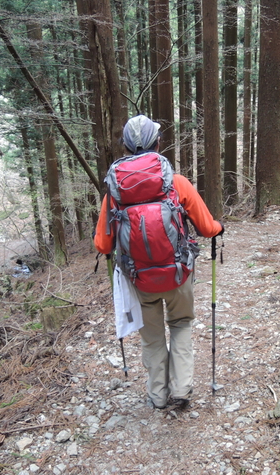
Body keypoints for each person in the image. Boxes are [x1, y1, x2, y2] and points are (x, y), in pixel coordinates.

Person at [94, 114, 224, 410]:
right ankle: (181, 389)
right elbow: (207, 228)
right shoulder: (176, 183)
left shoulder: (115, 192)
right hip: (178, 273)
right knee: (180, 324)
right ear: (158, 143)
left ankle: (157, 396)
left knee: (152, 338)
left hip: (138, 278)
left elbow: (102, 244)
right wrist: (219, 228)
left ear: (125, 147)